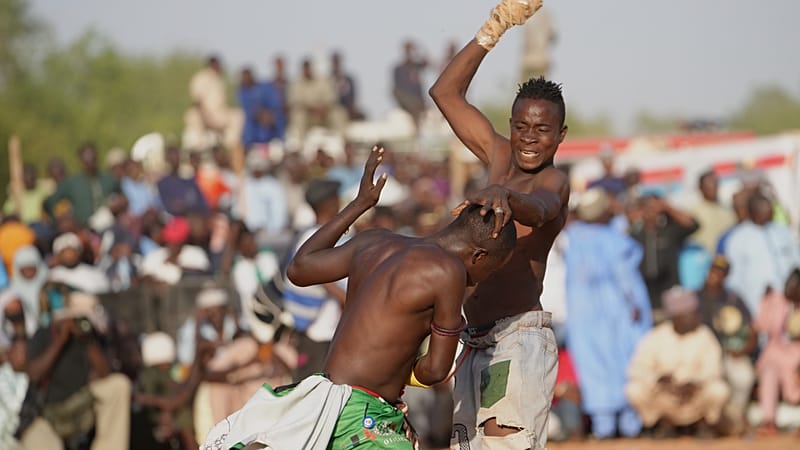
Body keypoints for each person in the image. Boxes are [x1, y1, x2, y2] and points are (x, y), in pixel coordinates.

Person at [201, 147, 516, 449]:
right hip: (363, 415)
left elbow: (298, 268)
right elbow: (435, 370)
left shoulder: (375, 241)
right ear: (479, 256)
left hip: (326, 402)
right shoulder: (448, 271)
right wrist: (397, 373)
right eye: (492, 270)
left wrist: (358, 204)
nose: (483, 280)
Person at [429, 1, 568, 447]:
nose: (530, 137)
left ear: (560, 134)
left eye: (542, 129)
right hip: (473, 339)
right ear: (510, 125)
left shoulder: (554, 180)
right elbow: (445, 93)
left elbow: (541, 209)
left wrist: (505, 195)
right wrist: (496, 27)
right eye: (522, 126)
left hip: (518, 338)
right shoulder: (499, 154)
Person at [564, 188, 652, 439]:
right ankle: (629, 424)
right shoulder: (615, 240)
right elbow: (625, 277)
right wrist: (634, 304)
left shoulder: (571, 238)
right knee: (626, 362)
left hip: (583, 316)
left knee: (593, 365)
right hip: (618, 313)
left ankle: (604, 426)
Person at [18, 291, 131, 450]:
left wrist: (88, 342)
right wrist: (61, 341)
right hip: (48, 416)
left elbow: (105, 374)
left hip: (81, 407)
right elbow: (35, 374)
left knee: (119, 385)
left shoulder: (91, 338)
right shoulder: (43, 334)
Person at [626, 287, 730, 439]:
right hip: (666, 398)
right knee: (633, 389)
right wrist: (658, 379)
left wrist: (694, 383)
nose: (697, 317)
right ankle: (661, 425)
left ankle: (704, 425)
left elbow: (714, 369)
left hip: (694, 398)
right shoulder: (656, 337)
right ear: (676, 317)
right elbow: (636, 369)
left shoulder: (704, 335)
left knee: (719, 390)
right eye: (691, 313)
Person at [724, 192, 800, 315]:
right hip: (757, 302)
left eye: (770, 208)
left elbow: (796, 259)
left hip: (790, 298)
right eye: (765, 208)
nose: (770, 211)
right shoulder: (738, 238)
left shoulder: (782, 230)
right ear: (753, 211)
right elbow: (734, 277)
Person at [752, 269, 800, 435]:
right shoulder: (775, 300)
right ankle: (768, 421)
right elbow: (760, 326)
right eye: (789, 285)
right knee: (769, 373)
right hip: (775, 352)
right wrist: (765, 302)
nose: (790, 289)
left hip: (797, 355)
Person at [43, 143, 120, 225]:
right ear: (81, 161)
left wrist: (119, 203)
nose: (90, 162)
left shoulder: (108, 179)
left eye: (92, 159)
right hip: (83, 229)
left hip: (109, 224)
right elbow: (49, 203)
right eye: (87, 160)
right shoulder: (72, 183)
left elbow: (122, 195)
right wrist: (58, 221)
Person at [238, 67, 286, 149]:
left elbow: (274, 103)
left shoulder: (264, 86)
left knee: (278, 117)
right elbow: (248, 109)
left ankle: (281, 143)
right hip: (254, 122)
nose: (245, 80)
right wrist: (259, 114)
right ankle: (250, 147)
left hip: (270, 116)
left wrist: (269, 114)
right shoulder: (242, 92)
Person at [690, 171, 736, 255]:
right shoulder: (694, 213)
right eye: (708, 185)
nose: (712, 188)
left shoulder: (728, 210)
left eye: (715, 184)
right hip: (705, 260)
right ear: (701, 188)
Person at [392, 40, 428, 127]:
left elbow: (426, 61)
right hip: (407, 101)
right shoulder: (399, 69)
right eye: (408, 51)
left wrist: (418, 49)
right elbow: (397, 90)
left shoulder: (416, 66)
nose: (410, 54)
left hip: (418, 101)